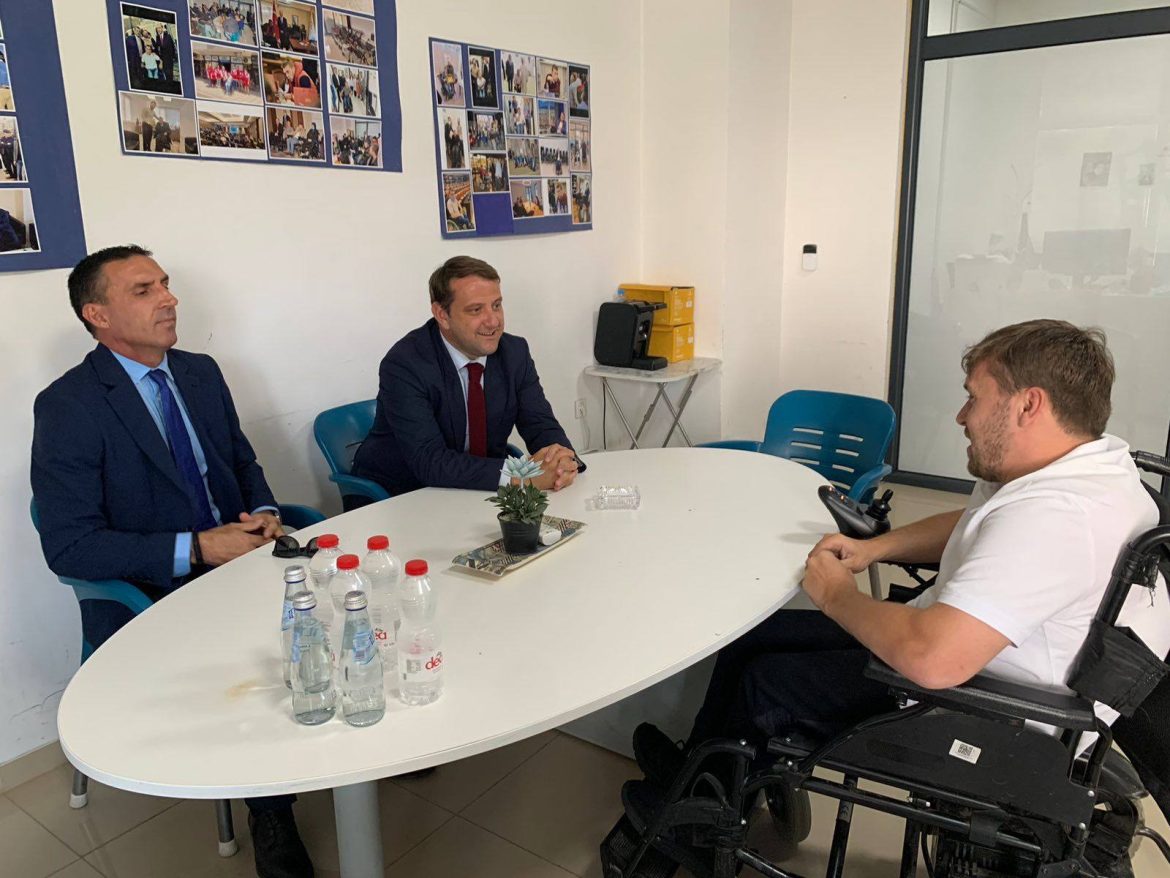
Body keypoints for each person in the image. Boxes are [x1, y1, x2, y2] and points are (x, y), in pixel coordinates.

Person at [633, 320, 1170, 802]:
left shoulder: (1058, 518)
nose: (961, 416)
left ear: (1028, 405)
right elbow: (976, 525)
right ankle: (694, 774)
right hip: (966, 654)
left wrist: (835, 595)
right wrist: (876, 548)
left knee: (764, 681)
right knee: (751, 639)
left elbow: (933, 660)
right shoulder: (1081, 466)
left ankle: (697, 818)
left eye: (974, 398)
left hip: (984, 711)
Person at [31, 246, 316, 878]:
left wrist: (262, 511)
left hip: (241, 555)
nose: (169, 299)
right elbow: (70, 545)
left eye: (165, 284)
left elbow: (239, 458)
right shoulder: (70, 405)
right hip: (155, 584)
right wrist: (199, 548)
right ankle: (272, 812)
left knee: (343, 601)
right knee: (252, 655)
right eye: (144, 291)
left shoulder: (199, 372)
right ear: (98, 315)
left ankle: (362, 740)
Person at [353, 256, 584, 498]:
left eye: (496, 305)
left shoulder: (514, 353)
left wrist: (562, 462)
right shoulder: (405, 364)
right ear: (442, 315)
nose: (493, 321)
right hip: (402, 495)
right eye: (476, 310)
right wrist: (522, 477)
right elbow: (430, 461)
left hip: (477, 490)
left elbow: (540, 424)